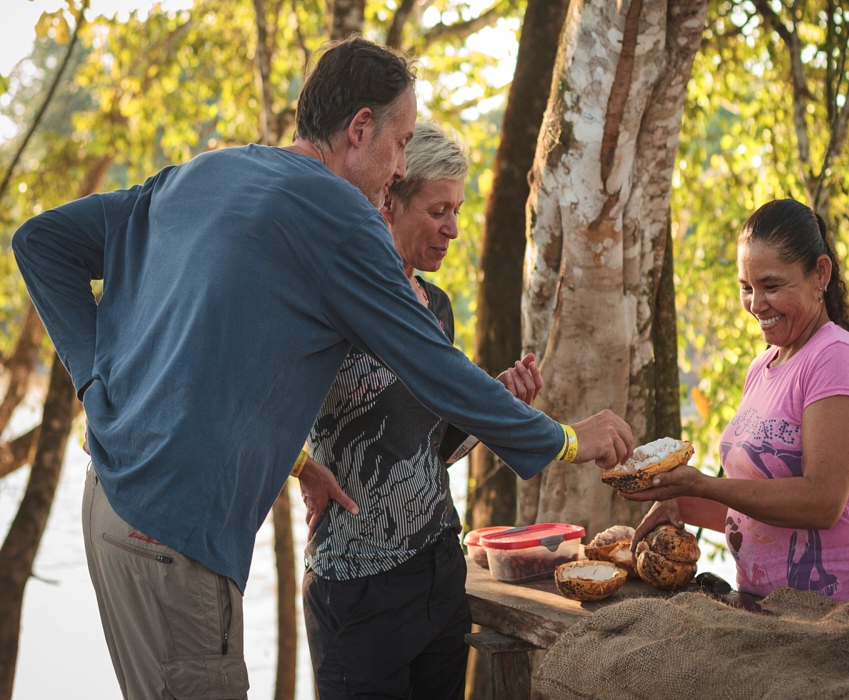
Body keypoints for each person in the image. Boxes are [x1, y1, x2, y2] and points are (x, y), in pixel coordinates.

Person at [12, 37, 633, 699]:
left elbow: (44, 244)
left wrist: (99, 382)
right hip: (173, 533)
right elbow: (433, 364)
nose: (398, 167)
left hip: (110, 502)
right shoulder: (341, 215)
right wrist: (564, 440)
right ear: (359, 128)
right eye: (399, 142)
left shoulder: (207, 172)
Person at [299, 121, 539, 699]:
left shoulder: (436, 307)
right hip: (356, 584)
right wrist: (299, 465)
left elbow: (428, 451)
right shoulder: (335, 298)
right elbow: (249, 401)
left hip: (437, 572)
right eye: (438, 211)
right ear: (390, 198)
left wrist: (496, 401)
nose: (453, 230)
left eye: (456, 211)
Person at [625, 199, 849, 618]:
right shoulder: (762, 366)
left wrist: (701, 485)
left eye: (771, 286)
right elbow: (754, 507)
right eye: (746, 288)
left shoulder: (836, 358)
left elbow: (822, 501)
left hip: (840, 615)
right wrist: (680, 501)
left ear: (820, 274)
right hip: (768, 610)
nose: (755, 304)